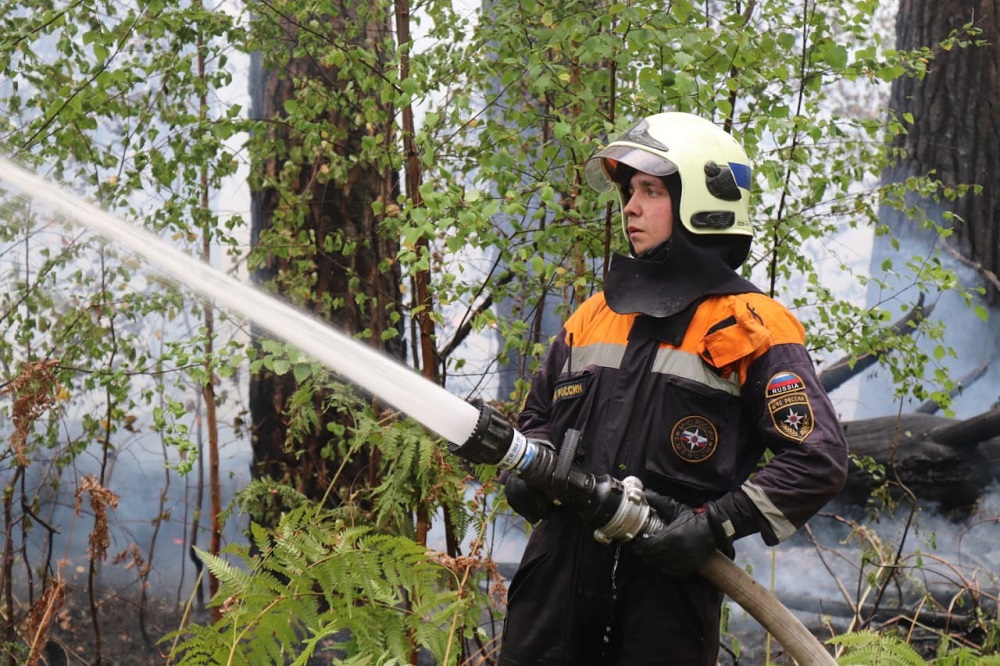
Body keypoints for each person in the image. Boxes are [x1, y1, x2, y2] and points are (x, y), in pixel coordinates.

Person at [498, 112, 849, 665]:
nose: (630, 207)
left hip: (665, 604)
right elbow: (536, 418)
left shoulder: (751, 326)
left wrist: (714, 525)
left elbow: (817, 460)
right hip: (552, 599)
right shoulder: (594, 315)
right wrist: (526, 471)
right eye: (629, 191)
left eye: (651, 191)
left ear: (703, 203)